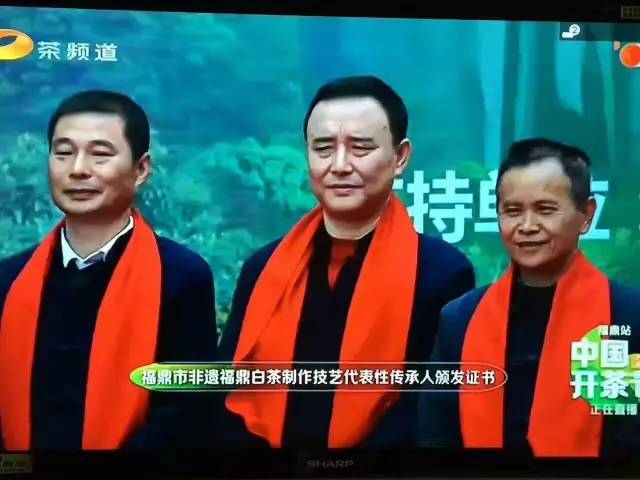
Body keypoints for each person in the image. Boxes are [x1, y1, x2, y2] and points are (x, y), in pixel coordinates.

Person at [218, 75, 475, 448]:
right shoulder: (264, 266)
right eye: (323, 148)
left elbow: (432, 410)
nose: (339, 165)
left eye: (360, 148)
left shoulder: (443, 272)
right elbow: (226, 388)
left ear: (400, 157)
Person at [0, 90, 218, 451]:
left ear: (141, 170)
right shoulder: (9, 279)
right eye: (63, 153)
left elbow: (188, 408)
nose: (77, 169)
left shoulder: (182, 276)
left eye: (99, 154)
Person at [417, 138, 640, 458]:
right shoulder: (460, 318)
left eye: (545, 209)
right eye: (512, 211)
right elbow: (436, 434)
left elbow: (629, 437)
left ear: (586, 214)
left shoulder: (627, 316)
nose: (527, 226)